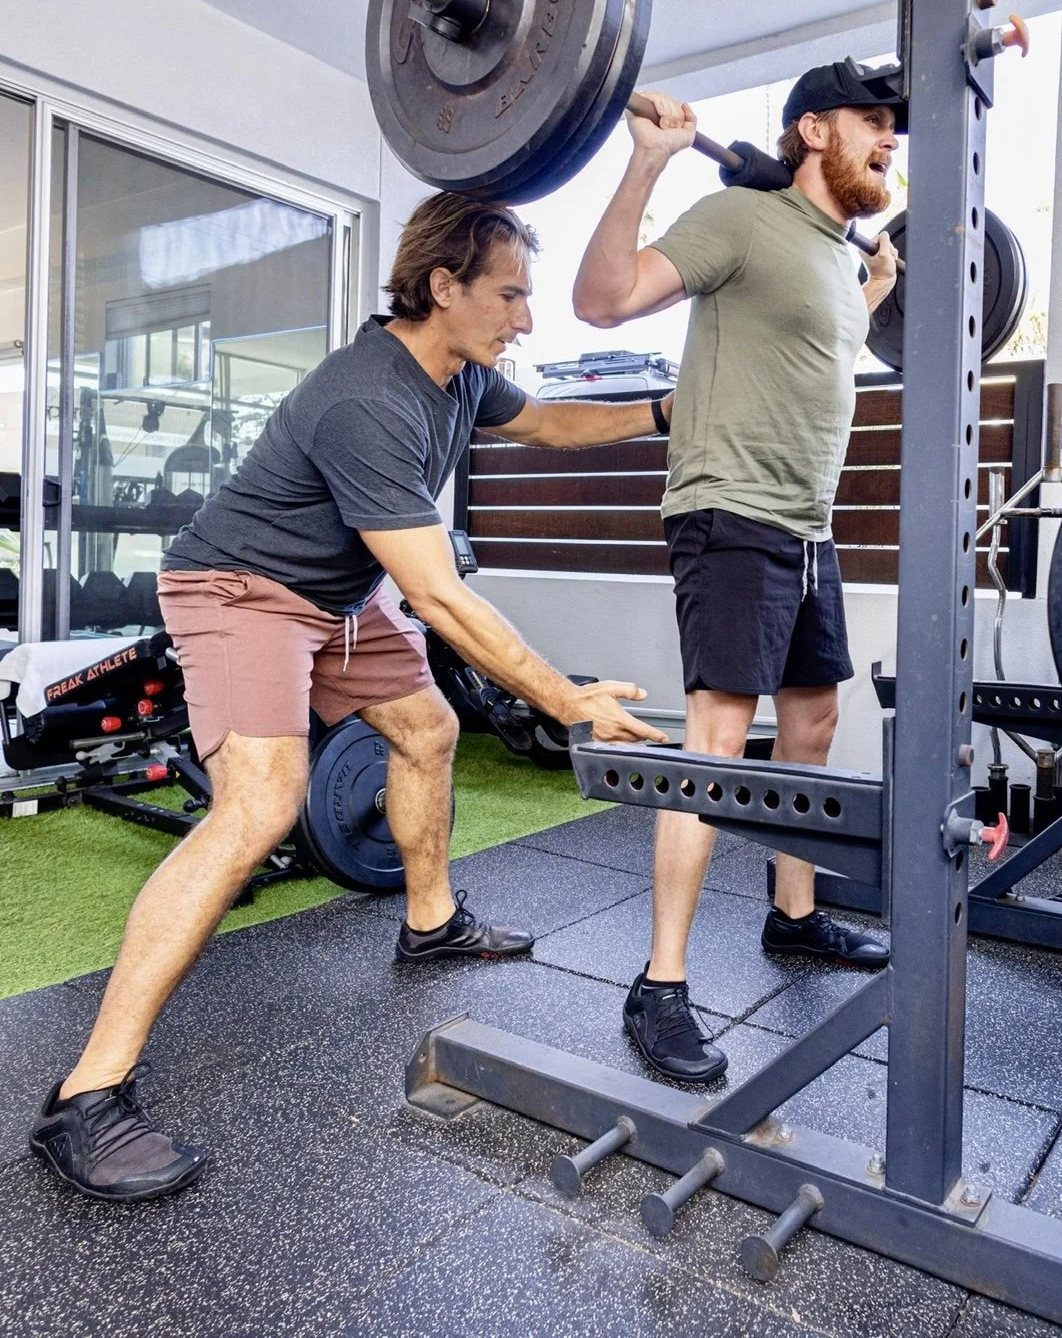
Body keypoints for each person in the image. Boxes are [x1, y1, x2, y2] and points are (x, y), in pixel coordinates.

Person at [31, 192, 671, 1202]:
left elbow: (548, 421)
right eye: (510, 295)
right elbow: (435, 592)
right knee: (260, 803)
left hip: (336, 596)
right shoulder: (366, 397)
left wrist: (667, 410)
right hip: (241, 587)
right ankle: (86, 1093)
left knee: (427, 727)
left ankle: (431, 922)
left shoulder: (461, 377)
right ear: (443, 285)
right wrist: (568, 698)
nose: (527, 318)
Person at [572, 59, 905, 1083]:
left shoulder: (836, 259)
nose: (888, 143)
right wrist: (648, 164)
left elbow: (824, 350)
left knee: (812, 721)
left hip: (810, 529)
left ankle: (795, 915)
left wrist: (877, 287)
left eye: (892, 129)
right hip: (730, 514)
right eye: (870, 124)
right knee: (717, 741)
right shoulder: (738, 221)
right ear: (811, 131)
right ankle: (660, 984)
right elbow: (603, 300)